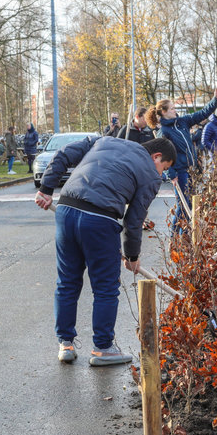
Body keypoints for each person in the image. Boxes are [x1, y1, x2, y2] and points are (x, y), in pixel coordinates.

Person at [34, 136, 176, 366]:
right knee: (106, 287)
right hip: (100, 219)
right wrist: (132, 256)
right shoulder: (150, 174)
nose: (161, 174)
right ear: (156, 157)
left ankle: (65, 345)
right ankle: (102, 349)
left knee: (67, 281)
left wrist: (46, 189)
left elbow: (63, 155)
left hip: (66, 210)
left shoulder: (103, 141)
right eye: (164, 168)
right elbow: (134, 219)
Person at [147, 88, 217, 230]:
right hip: (180, 171)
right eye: (171, 108)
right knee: (184, 204)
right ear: (163, 112)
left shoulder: (182, 122)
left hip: (191, 169)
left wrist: (216, 100)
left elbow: (202, 114)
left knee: (190, 205)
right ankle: (175, 236)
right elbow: (162, 156)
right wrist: (171, 174)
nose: (174, 110)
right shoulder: (163, 132)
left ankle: (184, 235)